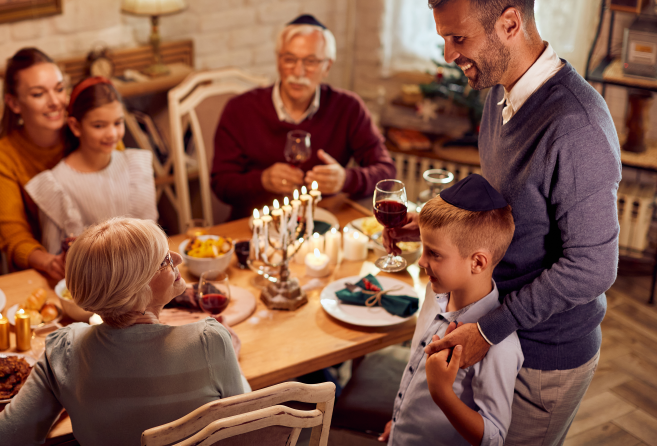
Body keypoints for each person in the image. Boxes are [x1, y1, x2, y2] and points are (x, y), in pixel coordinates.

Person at [384, 1, 621, 444]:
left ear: (510, 23)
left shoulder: (576, 125)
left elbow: (593, 268)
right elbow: (507, 210)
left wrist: (491, 331)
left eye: (459, 39)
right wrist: (440, 230)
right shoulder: (499, 93)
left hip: (543, 356)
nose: (449, 55)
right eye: (444, 39)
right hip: (492, 329)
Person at [0, 218, 246, 445]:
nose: (177, 258)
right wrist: (225, 355)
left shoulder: (63, 350)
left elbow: (3, 439)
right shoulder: (210, 342)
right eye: (164, 260)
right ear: (136, 290)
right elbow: (251, 426)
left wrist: (69, 392)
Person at [379, 174, 522, 446]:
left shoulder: (500, 346)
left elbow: (493, 439)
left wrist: (442, 394)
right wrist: (399, 421)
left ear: (478, 262)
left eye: (434, 253)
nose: (421, 261)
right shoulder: (434, 294)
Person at [211, 14, 397, 219]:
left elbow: (387, 172)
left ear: (327, 66)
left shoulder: (348, 107)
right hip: (256, 227)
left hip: (324, 223)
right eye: (289, 59)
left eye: (311, 62)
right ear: (278, 60)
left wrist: (346, 179)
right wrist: (262, 180)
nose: (298, 72)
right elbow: (220, 184)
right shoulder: (240, 109)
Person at [24, 77, 157, 254]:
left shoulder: (135, 166)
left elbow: (152, 235)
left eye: (118, 123)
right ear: (75, 126)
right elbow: (57, 255)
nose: (111, 134)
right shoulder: (56, 185)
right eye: (99, 125)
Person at [0, 48, 69, 281]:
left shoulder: (92, 130)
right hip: (44, 273)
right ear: (14, 103)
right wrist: (50, 262)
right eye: (38, 94)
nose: (55, 102)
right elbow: (13, 234)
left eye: (60, 89)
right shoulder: (1, 153)